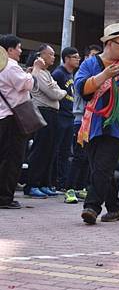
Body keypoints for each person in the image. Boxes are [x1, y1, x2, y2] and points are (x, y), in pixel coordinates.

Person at [75, 23, 119, 224]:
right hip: (93, 124)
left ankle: (91, 207)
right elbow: (82, 90)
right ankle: (115, 208)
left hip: (118, 125)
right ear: (108, 43)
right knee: (101, 169)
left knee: (102, 166)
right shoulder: (90, 64)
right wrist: (105, 75)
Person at [0, 35, 41, 209]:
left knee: (4, 158)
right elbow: (27, 84)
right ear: (9, 50)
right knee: (12, 159)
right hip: (13, 118)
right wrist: (36, 69)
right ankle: (5, 197)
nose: (21, 51)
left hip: (4, 117)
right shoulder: (10, 65)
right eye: (18, 47)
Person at [25, 44, 67, 198]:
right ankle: (32, 184)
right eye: (50, 54)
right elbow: (54, 93)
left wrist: (59, 91)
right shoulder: (38, 73)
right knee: (40, 149)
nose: (53, 57)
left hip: (52, 114)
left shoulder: (46, 73)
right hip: (42, 112)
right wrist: (61, 91)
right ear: (41, 55)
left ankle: (44, 183)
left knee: (50, 150)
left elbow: (56, 91)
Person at [64, 45, 101, 204]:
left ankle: (80, 187)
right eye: (92, 56)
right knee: (79, 156)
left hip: (93, 120)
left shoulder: (98, 75)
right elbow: (84, 94)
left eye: (97, 57)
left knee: (87, 157)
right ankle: (69, 189)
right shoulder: (83, 74)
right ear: (86, 58)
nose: (95, 59)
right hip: (81, 120)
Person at [52, 47, 80, 192]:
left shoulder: (71, 75)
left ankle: (62, 183)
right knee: (57, 150)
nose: (78, 59)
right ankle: (54, 182)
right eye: (75, 57)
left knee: (66, 152)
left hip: (70, 116)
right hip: (60, 116)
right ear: (67, 58)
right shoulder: (58, 74)